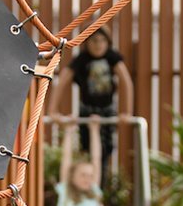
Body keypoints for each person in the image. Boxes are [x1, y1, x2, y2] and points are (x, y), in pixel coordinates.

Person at [49, 28, 133, 184]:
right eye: (94, 41)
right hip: (86, 111)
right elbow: (62, 82)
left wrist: (126, 112)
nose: (98, 45)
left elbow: (126, 82)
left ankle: (99, 189)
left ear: (108, 42)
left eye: (102, 41)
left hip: (107, 111)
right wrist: (53, 111)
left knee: (105, 151)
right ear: (87, 43)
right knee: (87, 149)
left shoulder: (112, 58)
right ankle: (86, 186)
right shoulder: (82, 59)